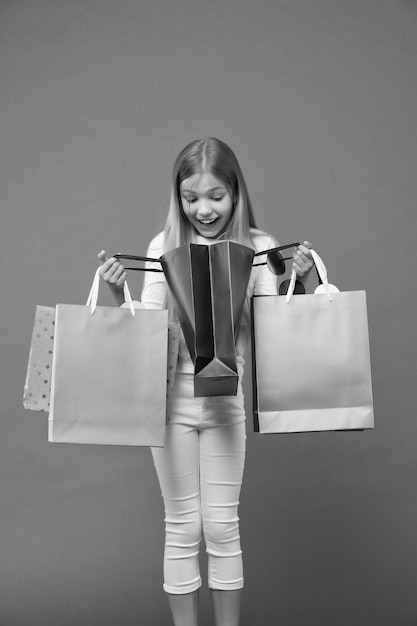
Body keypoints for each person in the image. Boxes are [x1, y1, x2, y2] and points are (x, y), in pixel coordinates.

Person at [98, 138, 313, 626]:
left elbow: (271, 330)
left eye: (215, 196)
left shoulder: (258, 247)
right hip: (169, 402)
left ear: (236, 193)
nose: (203, 208)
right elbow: (144, 330)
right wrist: (117, 292)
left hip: (224, 402)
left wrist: (295, 283)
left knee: (221, 526)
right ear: (178, 198)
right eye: (190, 197)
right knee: (181, 527)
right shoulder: (164, 246)